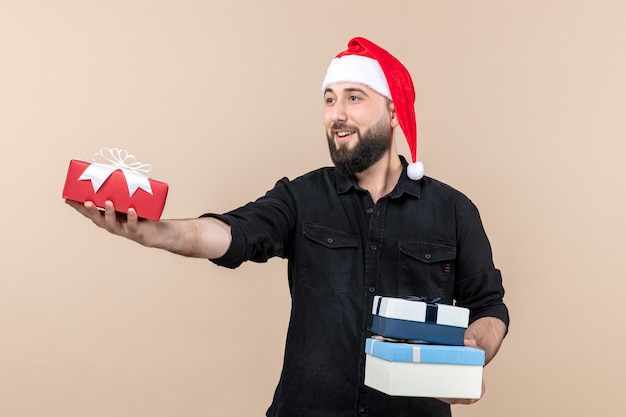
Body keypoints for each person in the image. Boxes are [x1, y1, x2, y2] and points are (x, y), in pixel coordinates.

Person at [67, 37, 509, 417]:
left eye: (354, 97)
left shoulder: (453, 209)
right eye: (330, 98)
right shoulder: (302, 197)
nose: (337, 113)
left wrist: (470, 353)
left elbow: (489, 307)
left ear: (393, 113)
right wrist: (155, 232)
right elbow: (233, 233)